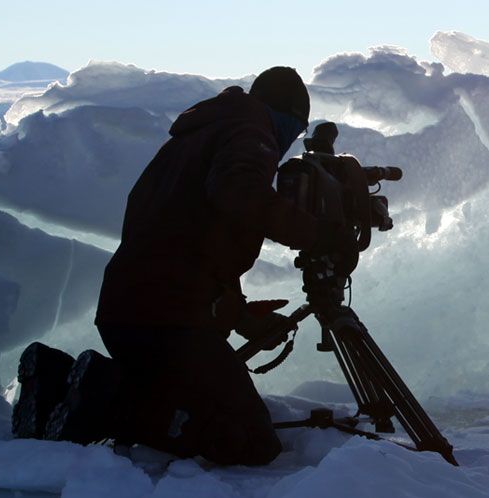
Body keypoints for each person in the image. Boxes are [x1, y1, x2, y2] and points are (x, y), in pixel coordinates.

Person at [90, 66, 330, 466]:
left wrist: (237, 315)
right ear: (285, 115)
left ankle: (109, 391)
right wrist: (317, 234)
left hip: (137, 310)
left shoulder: (203, 134)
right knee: (251, 440)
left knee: (202, 408)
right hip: (165, 321)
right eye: (295, 129)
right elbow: (238, 192)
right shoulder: (251, 130)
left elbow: (187, 244)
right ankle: (103, 402)